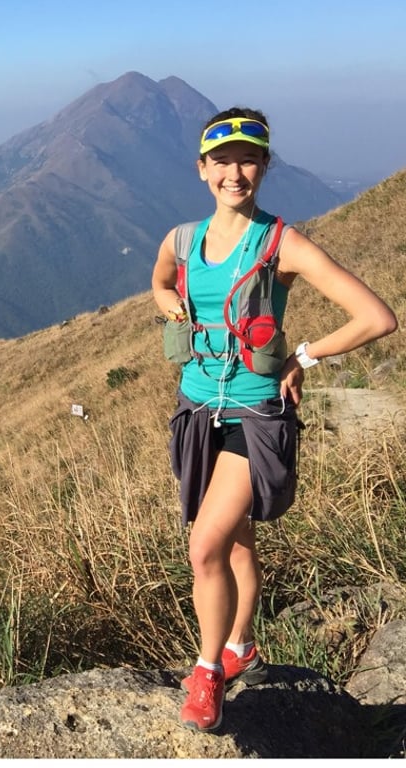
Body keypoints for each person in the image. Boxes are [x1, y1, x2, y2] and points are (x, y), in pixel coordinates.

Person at [150, 107, 398, 732]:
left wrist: (305, 356)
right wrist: (172, 303)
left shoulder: (280, 243)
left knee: (204, 544)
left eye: (249, 159)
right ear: (202, 168)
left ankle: (207, 675)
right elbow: (158, 283)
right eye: (223, 160)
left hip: (256, 414)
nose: (236, 172)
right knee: (234, 540)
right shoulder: (181, 241)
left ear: (264, 166)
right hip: (196, 409)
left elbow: (376, 316)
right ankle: (239, 646)